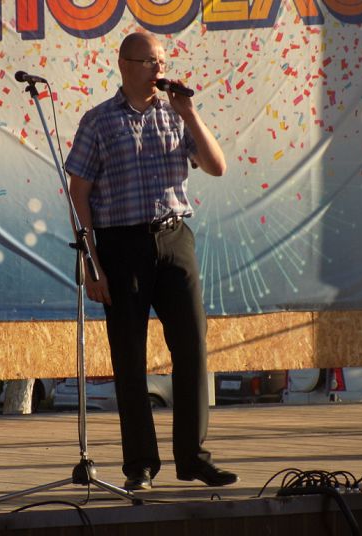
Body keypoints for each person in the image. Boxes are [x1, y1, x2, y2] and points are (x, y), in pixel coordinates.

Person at [65, 31, 238, 491]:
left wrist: (190, 113)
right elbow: (78, 193)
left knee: (192, 347)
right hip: (121, 245)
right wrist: (92, 262)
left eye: (162, 61)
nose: (159, 69)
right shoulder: (98, 121)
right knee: (129, 356)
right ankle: (139, 464)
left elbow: (217, 166)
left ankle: (194, 458)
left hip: (175, 237)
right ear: (125, 65)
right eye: (149, 62)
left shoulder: (176, 115)